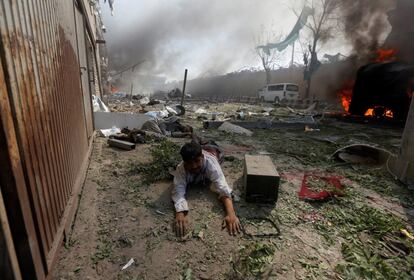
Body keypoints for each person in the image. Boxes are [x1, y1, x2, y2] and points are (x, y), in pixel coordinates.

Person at [172, 142, 241, 237]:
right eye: (189, 163)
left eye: (197, 161)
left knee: (212, 148)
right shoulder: (181, 168)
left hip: (213, 150)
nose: (194, 166)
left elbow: (222, 187)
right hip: (203, 149)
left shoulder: (211, 164)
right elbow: (178, 190)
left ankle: (206, 144)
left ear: (202, 158)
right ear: (184, 162)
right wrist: (180, 213)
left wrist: (231, 214)